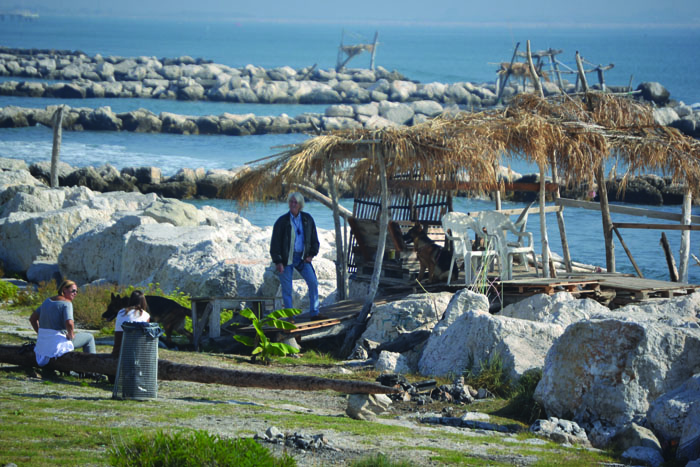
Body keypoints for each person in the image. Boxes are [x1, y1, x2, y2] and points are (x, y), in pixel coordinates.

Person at [270, 192, 323, 320]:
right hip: (286, 258)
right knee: (287, 289)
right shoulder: (282, 222)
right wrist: (278, 262)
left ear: (300, 205)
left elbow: (314, 240)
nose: (293, 204)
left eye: (296, 202)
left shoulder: (307, 219)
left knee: (313, 282)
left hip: (302, 258)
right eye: (291, 202)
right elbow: (275, 244)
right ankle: (290, 317)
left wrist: (311, 255)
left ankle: (314, 313)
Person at [29, 279, 96, 367]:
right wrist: (71, 334)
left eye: (77, 291)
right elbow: (69, 322)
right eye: (73, 291)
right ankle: (93, 368)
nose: (75, 293)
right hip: (57, 343)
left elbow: (32, 319)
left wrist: (40, 334)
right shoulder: (67, 303)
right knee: (89, 337)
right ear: (64, 289)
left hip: (43, 344)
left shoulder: (47, 301)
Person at [112, 290, 151, 356]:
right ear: (143, 302)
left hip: (118, 353)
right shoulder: (146, 315)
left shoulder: (121, 312)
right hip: (136, 354)